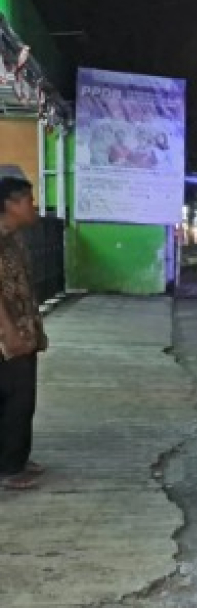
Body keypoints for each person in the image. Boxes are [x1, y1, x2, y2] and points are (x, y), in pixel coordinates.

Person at [0, 176, 48, 491]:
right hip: (8, 336)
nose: (34, 207)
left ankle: (15, 457)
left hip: (23, 329)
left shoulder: (14, 237)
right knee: (15, 399)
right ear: (10, 204)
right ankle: (10, 467)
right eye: (28, 201)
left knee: (21, 397)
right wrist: (8, 332)